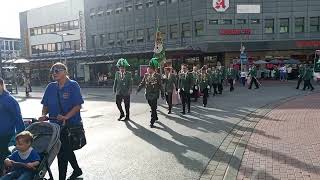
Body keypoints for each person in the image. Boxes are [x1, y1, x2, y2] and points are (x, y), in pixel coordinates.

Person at [38, 63, 83, 180]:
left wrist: (66, 117)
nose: (54, 73)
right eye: (52, 71)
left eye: (57, 70)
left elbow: (78, 105)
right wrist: (43, 115)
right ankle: (77, 170)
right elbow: (46, 105)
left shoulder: (73, 85)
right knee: (65, 150)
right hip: (54, 127)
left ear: (65, 71)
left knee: (62, 152)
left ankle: (62, 178)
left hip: (69, 126)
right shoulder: (50, 87)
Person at [0, 78, 25, 176]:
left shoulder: (9, 100)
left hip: (5, 135)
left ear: (1, 85)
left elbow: (18, 118)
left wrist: (22, 136)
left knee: (3, 157)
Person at [137, 58, 164, 128]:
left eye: (149, 69)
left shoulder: (157, 76)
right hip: (148, 94)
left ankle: (152, 122)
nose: (148, 70)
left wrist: (162, 94)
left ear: (153, 69)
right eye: (148, 69)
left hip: (155, 94)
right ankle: (155, 116)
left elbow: (160, 85)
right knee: (152, 106)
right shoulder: (146, 75)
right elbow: (142, 83)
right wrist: (138, 89)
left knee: (153, 108)